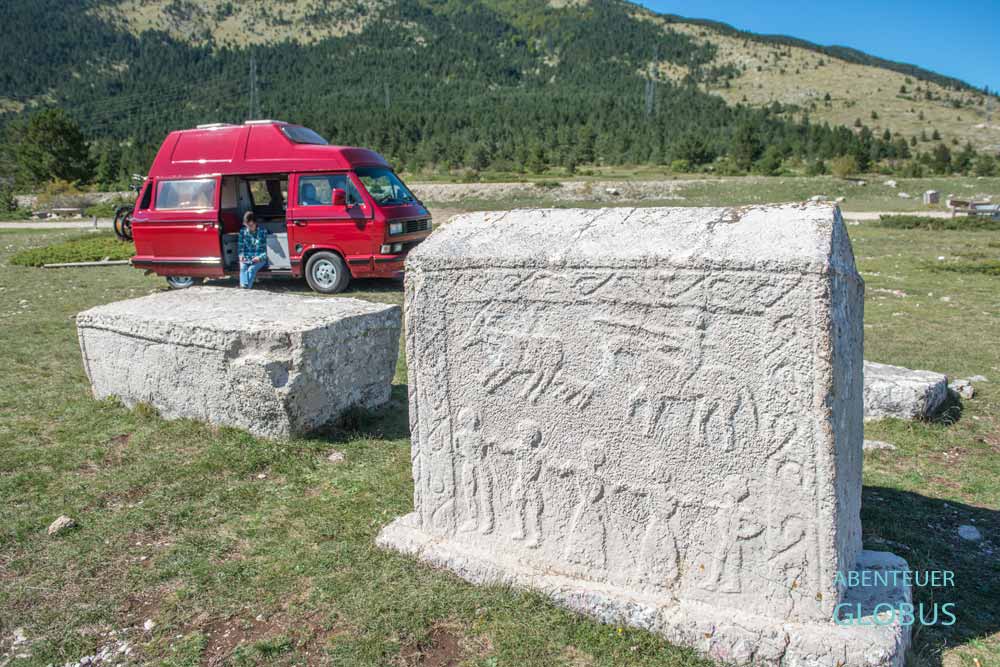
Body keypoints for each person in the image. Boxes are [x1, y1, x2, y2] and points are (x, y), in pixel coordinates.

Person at [238, 211, 269, 288]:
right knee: (243, 268)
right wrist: (241, 255)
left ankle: (245, 289)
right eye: (247, 225)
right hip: (246, 258)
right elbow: (240, 247)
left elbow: (266, 250)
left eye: (250, 225)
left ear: (255, 222)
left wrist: (259, 257)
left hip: (260, 258)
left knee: (251, 269)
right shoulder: (242, 232)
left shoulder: (263, 232)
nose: (249, 227)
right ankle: (245, 287)